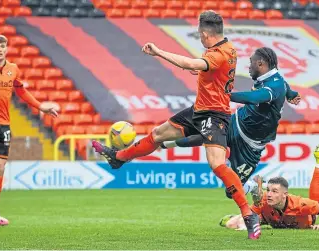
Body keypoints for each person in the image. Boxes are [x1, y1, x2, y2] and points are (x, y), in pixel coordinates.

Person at [92, 11, 261, 239]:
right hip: (199, 110)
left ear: (204, 33)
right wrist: (201, 71)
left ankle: (248, 215)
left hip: (215, 114)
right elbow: (212, 71)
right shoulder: (227, 48)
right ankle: (118, 157)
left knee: (217, 165)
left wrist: (159, 52)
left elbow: (193, 62)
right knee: (158, 134)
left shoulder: (218, 54)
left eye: (199, 35)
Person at [160, 47, 301, 197]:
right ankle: (165, 144)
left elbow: (254, 98)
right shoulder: (275, 81)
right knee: (206, 135)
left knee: (231, 191)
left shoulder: (275, 85)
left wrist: (225, 95)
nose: (249, 66)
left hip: (250, 144)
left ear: (260, 63)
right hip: (236, 122)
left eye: (251, 62)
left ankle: (255, 186)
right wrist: (293, 95)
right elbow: (287, 89)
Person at [0, 34, 58, 226]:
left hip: (4, 124)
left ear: (6, 49)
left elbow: (21, 91)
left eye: (2, 47)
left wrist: (40, 107)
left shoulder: (13, 69)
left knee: (0, 167)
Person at [219, 145, 319, 230]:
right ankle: (233, 217)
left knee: (315, 202)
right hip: (267, 218)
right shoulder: (263, 199)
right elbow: (248, 216)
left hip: (301, 219)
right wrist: (244, 227)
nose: (269, 194)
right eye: (268, 190)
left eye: (275, 191)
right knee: (231, 224)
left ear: (284, 195)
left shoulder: (301, 204)